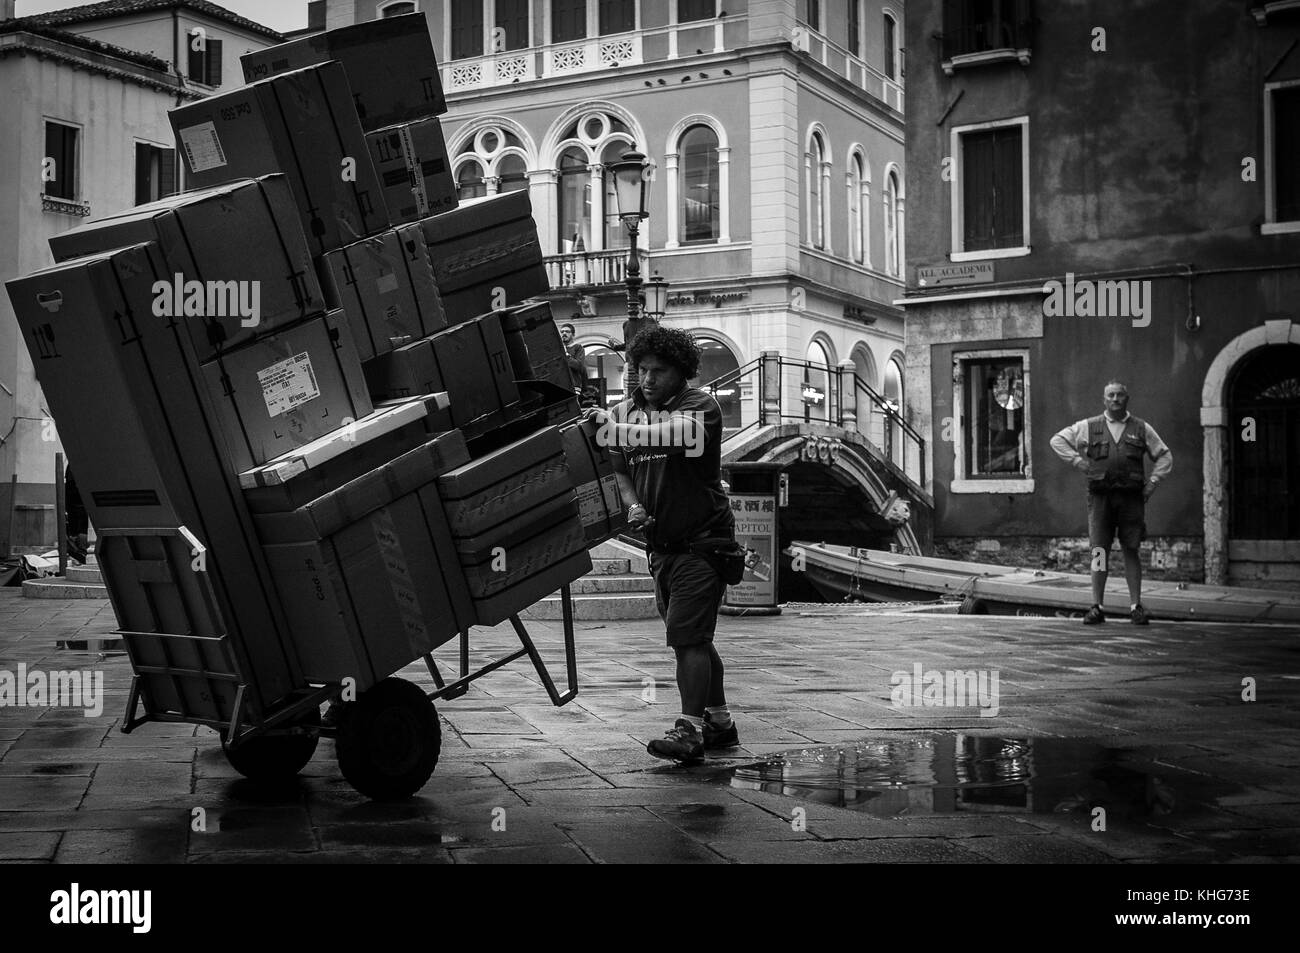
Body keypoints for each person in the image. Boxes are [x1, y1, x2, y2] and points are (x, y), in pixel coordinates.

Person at [583, 326, 739, 763]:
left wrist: (615, 429)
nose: (647, 380)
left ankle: (689, 733)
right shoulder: (627, 410)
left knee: (687, 638)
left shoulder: (700, 407)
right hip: (661, 545)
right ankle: (721, 723)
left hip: (703, 542)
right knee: (697, 638)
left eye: (659, 371)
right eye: (642, 370)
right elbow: (620, 472)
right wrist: (631, 505)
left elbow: (674, 435)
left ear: (682, 372)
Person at [1050, 380, 1173, 625]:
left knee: (1131, 549)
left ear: (1127, 399)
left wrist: (1153, 483)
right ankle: (1096, 606)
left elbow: (1164, 456)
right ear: (1104, 399)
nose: (1115, 399)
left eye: (1119, 395)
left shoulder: (1141, 428)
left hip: (1131, 499)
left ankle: (1136, 606)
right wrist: (1077, 461)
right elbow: (1057, 440)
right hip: (1100, 499)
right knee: (1099, 551)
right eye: (1110, 396)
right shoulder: (1089, 426)